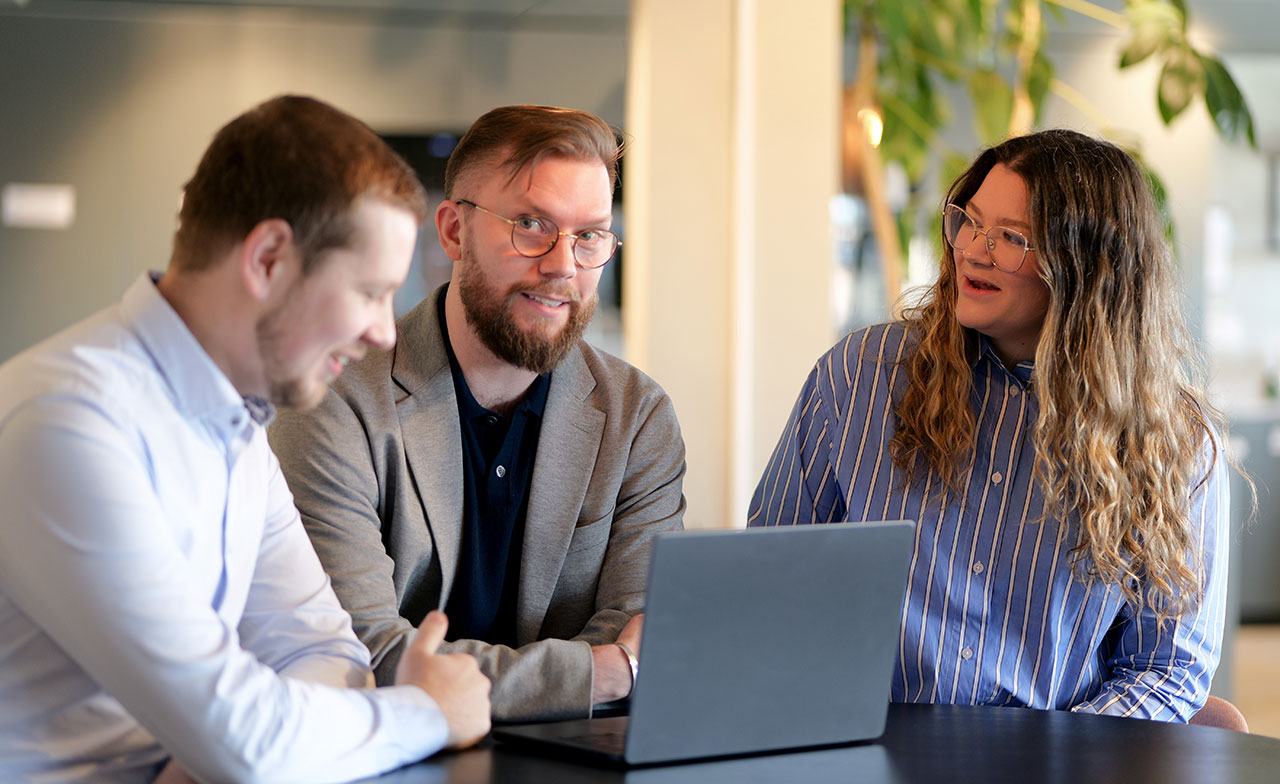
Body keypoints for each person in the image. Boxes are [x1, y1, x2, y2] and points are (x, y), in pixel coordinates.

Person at [0, 95, 491, 783]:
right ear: (267, 258)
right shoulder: (67, 422)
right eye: (369, 292)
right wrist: (427, 712)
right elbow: (247, 742)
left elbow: (324, 653)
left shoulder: (240, 422)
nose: (385, 332)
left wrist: (226, 751)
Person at [748, 129, 1230, 722]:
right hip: (865, 744)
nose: (974, 250)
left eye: (1012, 237)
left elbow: (1167, 669)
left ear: (1087, 270)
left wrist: (1055, 760)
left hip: (1057, 756)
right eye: (970, 222)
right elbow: (768, 582)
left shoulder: (1174, 441)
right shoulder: (860, 376)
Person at [268, 105, 687, 722]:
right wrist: (600, 672)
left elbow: (641, 631)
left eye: (590, 235)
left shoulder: (637, 418)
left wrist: (612, 668)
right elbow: (363, 654)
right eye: (531, 225)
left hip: (578, 758)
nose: (563, 265)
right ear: (453, 232)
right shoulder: (337, 404)